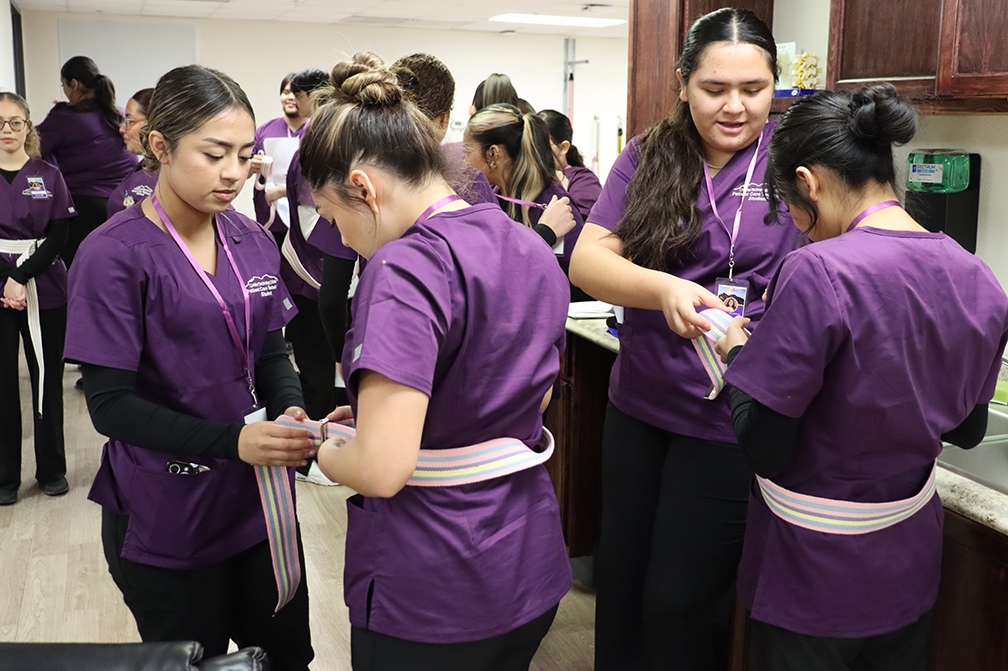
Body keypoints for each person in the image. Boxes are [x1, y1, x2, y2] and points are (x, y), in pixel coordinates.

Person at [713, 83, 1008, 671]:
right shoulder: (978, 277)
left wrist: (737, 352)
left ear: (809, 182)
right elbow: (968, 430)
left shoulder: (818, 270)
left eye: (790, 208)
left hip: (812, 571)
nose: (799, 227)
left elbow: (764, 446)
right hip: (907, 564)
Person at [301, 51, 572, 670]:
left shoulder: (404, 267)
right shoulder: (526, 243)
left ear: (364, 187)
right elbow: (530, 394)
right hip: (525, 561)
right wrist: (388, 414)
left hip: (435, 586)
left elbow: (381, 470)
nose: (339, 236)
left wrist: (322, 448)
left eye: (332, 216)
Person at [64, 64, 316, 671]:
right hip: (169, 510)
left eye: (245, 155)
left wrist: (289, 408)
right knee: (192, 661)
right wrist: (233, 441)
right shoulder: (114, 255)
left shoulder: (251, 239)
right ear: (161, 146)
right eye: (214, 154)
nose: (233, 172)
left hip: (258, 506)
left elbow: (271, 352)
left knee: (284, 658)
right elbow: (110, 406)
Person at [567, 8, 796, 670]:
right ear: (683, 83)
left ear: (774, 85)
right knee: (622, 577)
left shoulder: (795, 158)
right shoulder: (649, 154)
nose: (734, 107)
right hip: (641, 404)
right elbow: (587, 260)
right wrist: (661, 288)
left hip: (729, 417)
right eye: (714, 89)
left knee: (681, 600)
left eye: (753, 89)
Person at [0, 92, 76, 506]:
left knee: (47, 379)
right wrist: (7, 281)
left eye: (15, 122)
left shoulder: (49, 175)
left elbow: (60, 236)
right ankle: (4, 477)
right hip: (1, 288)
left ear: (27, 127)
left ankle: (51, 469)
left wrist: (20, 276)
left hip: (44, 287)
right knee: (2, 385)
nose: (7, 130)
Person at [276, 68, 342, 487]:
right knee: (316, 371)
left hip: (334, 277)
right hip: (308, 277)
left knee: (337, 374)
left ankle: (335, 448)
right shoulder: (310, 156)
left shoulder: (335, 150)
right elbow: (311, 224)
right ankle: (310, 459)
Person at [464, 103, 583, 285]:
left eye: (467, 151)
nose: (464, 162)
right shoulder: (493, 199)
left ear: (493, 154)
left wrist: (544, 235)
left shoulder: (556, 208)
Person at [37, 56, 137, 267]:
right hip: (126, 204)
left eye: (64, 85)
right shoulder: (117, 113)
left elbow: (31, 146)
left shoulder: (65, 119)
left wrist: (55, 117)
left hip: (85, 208)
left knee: (76, 270)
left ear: (74, 84)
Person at [250, 72, 311, 249]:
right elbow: (243, 168)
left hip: (307, 217)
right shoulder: (265, 131)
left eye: (297, 93)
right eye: (286, 92)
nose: (291, 97)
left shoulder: (317, 130)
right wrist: (252, 165)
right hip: (271, 217)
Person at [538, 109, 602, 221]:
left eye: (542, 145)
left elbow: (581, 225)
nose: (535, 152)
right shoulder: (529, 176)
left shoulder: (584, 180)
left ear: (564, 147)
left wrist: (560, 189)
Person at [107, 87, 156, 218]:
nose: (122, 129)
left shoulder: (160, 176)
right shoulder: (144, 167)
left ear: (153, 122)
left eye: (129, 121)